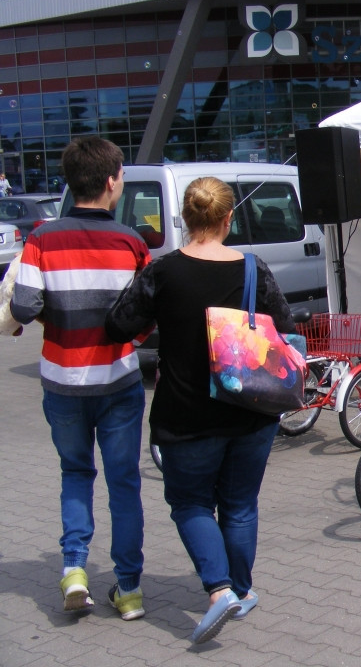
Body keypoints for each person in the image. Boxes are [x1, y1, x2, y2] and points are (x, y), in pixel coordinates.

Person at [105, 177, 295, 643]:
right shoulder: (254, 269)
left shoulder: (163, 271)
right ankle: (243, 590)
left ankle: (218, 591)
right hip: (251, 408)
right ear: (228, 218)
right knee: (239, 504)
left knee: (190, 503)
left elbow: (119, 323)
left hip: (185, 414)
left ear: (185, 219)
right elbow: (285, 328)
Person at [10, 137, 150, 620]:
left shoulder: (41, 239)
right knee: (124, 483)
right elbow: (145, 318)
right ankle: (129, 590)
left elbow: (22, 307)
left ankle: (74, 570)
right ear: (111, 183)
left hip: (62, 383)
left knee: (75, 473)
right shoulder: (132, 243)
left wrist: (60, 313)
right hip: (118, 383)